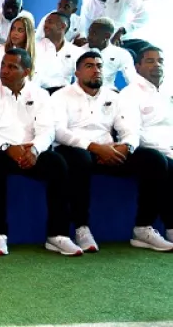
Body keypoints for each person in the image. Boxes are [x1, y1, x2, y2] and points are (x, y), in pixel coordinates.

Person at [52, 51, 162, 253]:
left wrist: (125, 146)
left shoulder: (114, 96)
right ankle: (81, 227)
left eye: (99, 66)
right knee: (80, 159)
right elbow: (59, 132)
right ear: (77, 72)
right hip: (75, 149)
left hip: (110, 150)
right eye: (89, 66)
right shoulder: (61, 96)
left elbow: (129, 129)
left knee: (154, 160)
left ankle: (143, 227)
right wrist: (94, 147)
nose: (96, 70)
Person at [0, 48, 81, 256]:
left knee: (58, 164)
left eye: (12, 67)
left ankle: (57, 234)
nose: (4, 71)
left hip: (30, 151)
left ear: (26, 72)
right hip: (0, 151)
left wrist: (33, 149)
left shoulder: (41, 95)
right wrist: (8, 149)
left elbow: (47, 131)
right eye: (3, 65)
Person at [118, 46, 173, 250]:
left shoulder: (168, 91)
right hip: (142, 150)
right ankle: (142, 228)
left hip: (168, 148)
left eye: (160, 61)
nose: (156, 65)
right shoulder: (130, 93)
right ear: (138, 66)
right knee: (160, 162)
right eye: (150, 61)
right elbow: (131, 132)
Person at [81, 0, 148, 51]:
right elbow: (86, 31)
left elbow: (144, 15)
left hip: (125, 41)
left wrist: (123, 30)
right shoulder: (88, 6)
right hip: (102, 47)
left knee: (147, 50)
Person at [81, 17, 136, 89]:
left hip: (108, 94)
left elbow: (131, 79)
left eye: (94, 33)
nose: (89, 37)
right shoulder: (79, 51)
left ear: (107, 36)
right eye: (89, 33)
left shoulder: (121, 54)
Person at [34, 12, 81, 94]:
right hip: (39, 95)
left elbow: (82, 79)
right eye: (45, 22)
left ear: (62, 26)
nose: (45, 26)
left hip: (65, 96)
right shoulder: (34, 48)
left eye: (50, 22)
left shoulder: (76, 52)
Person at [0, 16, 36, 83]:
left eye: (20, 30)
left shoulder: (36, 55)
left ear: (28, 34)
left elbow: (36, 81)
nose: (15, 33)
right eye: (13, 29)